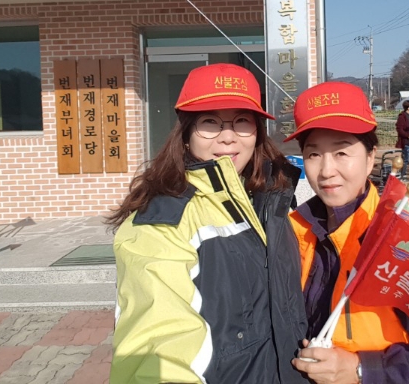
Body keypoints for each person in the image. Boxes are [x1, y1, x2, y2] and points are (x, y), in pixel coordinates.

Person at [108, 63, 309, 384]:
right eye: (210, 123)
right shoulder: (162, 221)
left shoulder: (270, 196)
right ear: (186, 135)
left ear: (257, 132)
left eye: (241, 121)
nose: (228, 137)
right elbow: (156, 343)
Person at [288, 82, 409, 384]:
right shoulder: (295, 229)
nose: (326, 170)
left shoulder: (400, 242)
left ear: (371, 157)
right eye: (314, 153)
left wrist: (361, 369)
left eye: (342, 152)